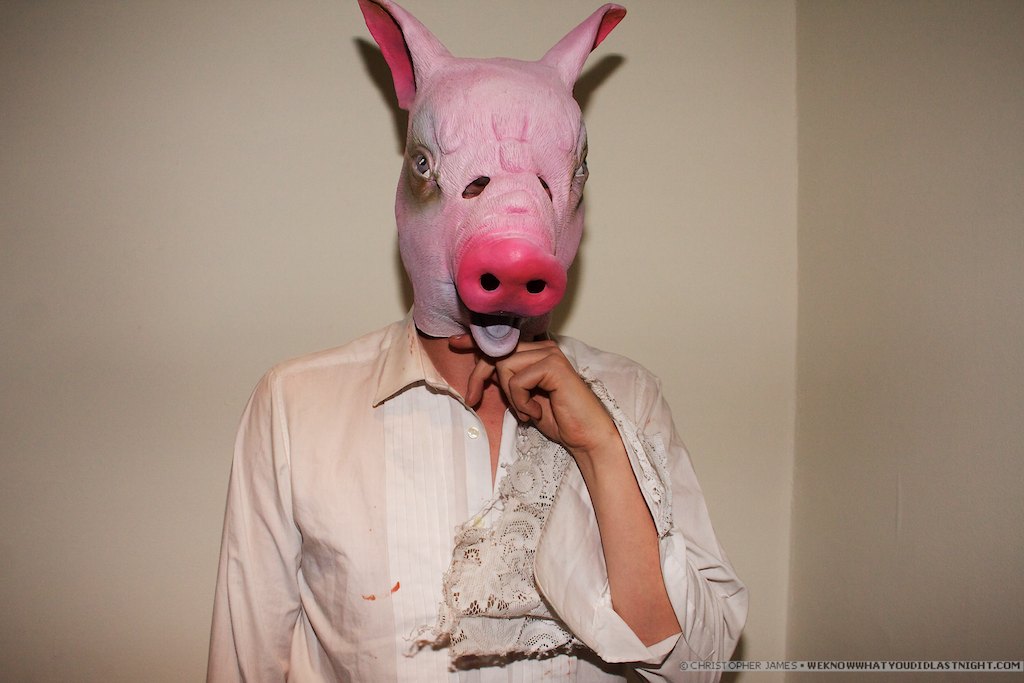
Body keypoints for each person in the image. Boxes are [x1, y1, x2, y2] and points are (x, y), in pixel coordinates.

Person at [207, 2, 746, 681]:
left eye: (552, 181)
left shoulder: (630, 398)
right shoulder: (295, 407)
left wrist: (603, 449)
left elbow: (698, 665)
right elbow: (247, 661)